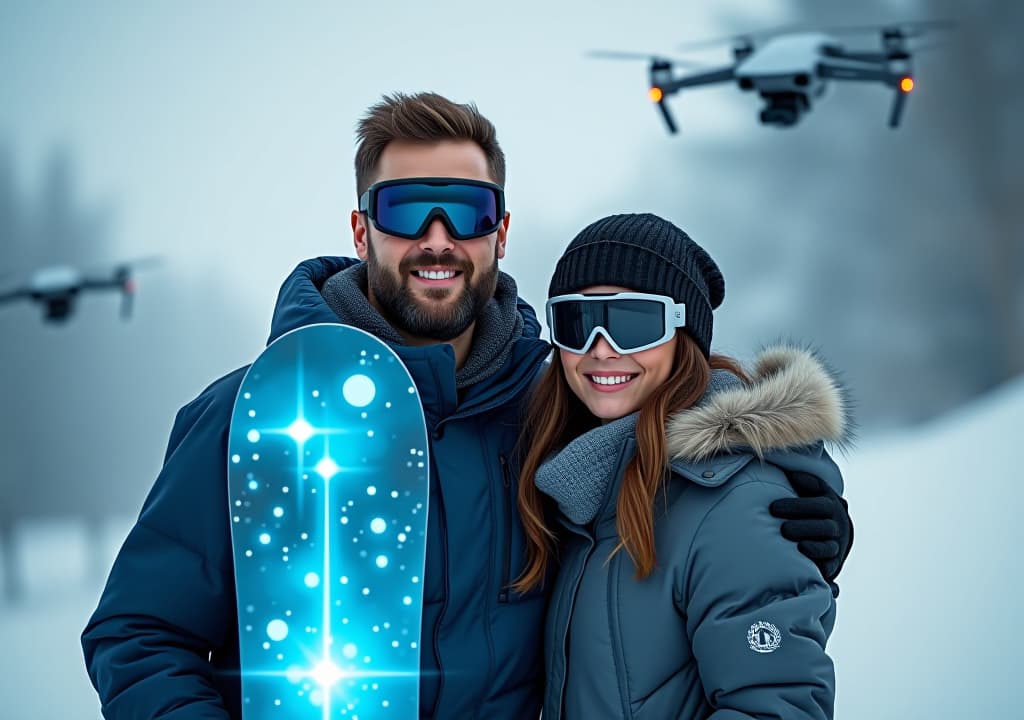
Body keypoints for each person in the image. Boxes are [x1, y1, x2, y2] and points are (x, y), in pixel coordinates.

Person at [82, 93, 852, 719]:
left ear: (503, 234)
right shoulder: (256, 412)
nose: (439, 239)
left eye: (469, 213)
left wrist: (805, 511)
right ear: (362, 230)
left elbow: (689, 460)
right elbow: (140, 634)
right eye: (409, 210)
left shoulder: (556, 411)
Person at [514, 212, 849, 719]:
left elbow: (777, 707)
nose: (601, 349)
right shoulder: (572, 484)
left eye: (634, 323)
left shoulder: (732, 503)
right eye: (577, 323)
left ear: (683, 335)